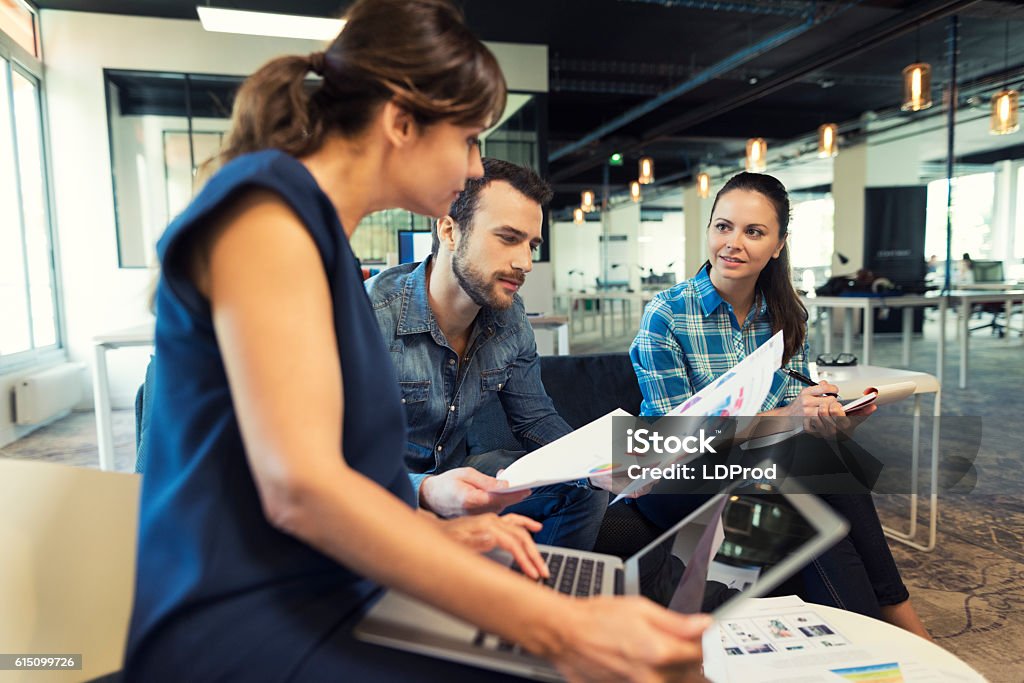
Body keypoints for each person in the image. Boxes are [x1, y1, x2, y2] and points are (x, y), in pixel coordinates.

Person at [123, 1, 709, 680]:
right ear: (401, 121)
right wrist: (563, 627)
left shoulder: (320, 239)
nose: (474, 164)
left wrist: (430, 517)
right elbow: (299, 490)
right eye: (467, 137)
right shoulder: (266, 216)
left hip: (324, 585)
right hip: (244, 620)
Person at [630, 171, 930, 639]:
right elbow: (680, 437)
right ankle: (899, 625)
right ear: (709, 230)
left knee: (820, 477)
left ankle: (874, 640)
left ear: (777, 245)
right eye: (723, 226)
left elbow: (795, 422)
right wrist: (789, 418)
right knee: (807, 486)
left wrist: (828, 420)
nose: (733, 243)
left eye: (753, 232)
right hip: (679, 480)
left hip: (767, 469)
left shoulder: (785, 315)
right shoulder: (667, 315)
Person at [366, 157, 608, 549]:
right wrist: (424, 490)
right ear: (449, 230)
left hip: (458, 477)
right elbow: (331, 463)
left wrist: (596, 462)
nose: (525, 263)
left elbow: (536, 419)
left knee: (582, 487)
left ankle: (548, 594)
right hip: (381, 498)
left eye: (531, 245)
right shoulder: (368, 316)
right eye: (508, 238)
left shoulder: (509, 319)